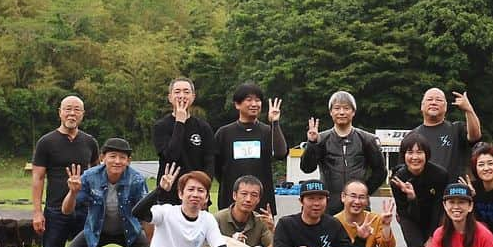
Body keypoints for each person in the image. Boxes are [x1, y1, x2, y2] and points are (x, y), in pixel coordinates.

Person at [30, 95, 100, 247]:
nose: (72, 114)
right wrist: (37, 212)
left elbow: (96, 175)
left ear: (82, 114)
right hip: (55, 212)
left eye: (77, 110)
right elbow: (38, 178)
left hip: (84, 211)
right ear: (60, 112)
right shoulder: (46, 142)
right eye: (68, 109)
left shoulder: (89, 142)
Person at [301, 90, 387, 214]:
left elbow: (380, 171)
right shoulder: (321, 139)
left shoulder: (367, 139)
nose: (341, 112)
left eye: (346, 108)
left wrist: (363, 192)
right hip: (330, 205)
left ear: (353, 112)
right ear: (331, 112)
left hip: (359, 206)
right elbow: (307, 168)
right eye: (337, 108)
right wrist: (312, 143)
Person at [214, 82, 288, 213]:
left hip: (262, 202)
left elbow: (281, 154)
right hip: (230, 202)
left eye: (257, 100)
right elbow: (217, 168)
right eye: (249, 100)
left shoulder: (267, 131)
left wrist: (275, 123)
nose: (254, 104)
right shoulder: (224, 133)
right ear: (237, 104)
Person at [152, 77, 216, 204]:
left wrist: (204, 190)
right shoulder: (161, 126)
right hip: (169, 193)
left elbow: (209, 161)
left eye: (186, 92)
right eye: (177, 92)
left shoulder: (203, 127)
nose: (182, 96)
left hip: (196, 195)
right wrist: (180, 123)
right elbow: (171, 156)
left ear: (193, 97)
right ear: (170, 97)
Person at [411, 87, 483, 182]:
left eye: (438, 100)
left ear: (445, 107)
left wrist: (468, 110)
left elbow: (475, 136)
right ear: (422, 106)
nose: (433, 102)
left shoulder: (457, 129)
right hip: (424, 192)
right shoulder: (413, 135)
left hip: (453, 192)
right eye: (429, 99)